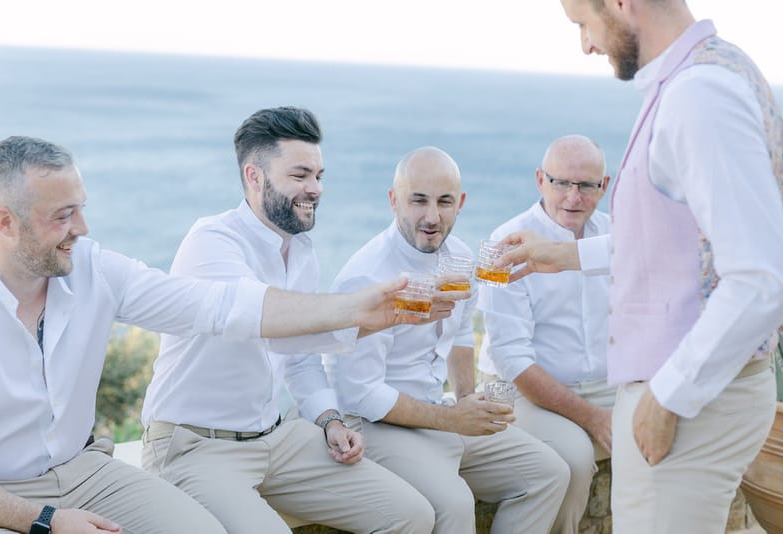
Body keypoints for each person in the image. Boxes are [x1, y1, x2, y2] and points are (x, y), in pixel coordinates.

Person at [0, 134, 429, 534]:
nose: (82, 228)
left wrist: (353, 312)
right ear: (5, 222)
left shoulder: (95, 269)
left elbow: (218, 306)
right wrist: (45, 520)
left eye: (81, 209)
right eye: (63, 215)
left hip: (84, 471)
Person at [496, 2, 783, 532]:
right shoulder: (710, 74)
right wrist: (561, 255)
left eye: (583, 21)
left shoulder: (699, 95)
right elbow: (675, 243)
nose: (585, 44)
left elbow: (761, 277)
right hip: (698, 395)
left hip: (688, 404)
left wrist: (667, 395)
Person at [141, 107, 442, 534]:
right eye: (300, 175)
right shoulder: (212, 241)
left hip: (275, 438)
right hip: (196, 445)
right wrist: (364, 310)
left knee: (412, 514)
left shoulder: (302, 252)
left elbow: (299, 356)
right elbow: (262, 317)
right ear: (255, 176)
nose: (315, 189)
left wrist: (329, 419)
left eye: (319, 176)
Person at [325, 146, 570, 534]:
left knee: (549, 472)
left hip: (436, 411)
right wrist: (452, 418)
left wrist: (468, 398)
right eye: (418, 201)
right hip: (376, 423)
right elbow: (361, 395)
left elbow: (459, 333)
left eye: (444, 202)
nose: (432, 217)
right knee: (454, 504)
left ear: (461, 204)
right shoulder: (368, 276)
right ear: (394, 201)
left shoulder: (457, 256)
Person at [477, 134, 612, 534]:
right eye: (561, 183)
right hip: (519, 389)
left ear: (603, 187)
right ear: (540, 180)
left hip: (604, 384)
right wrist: (594, 419)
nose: (573, 197)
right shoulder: (501, 244)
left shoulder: (616, 237)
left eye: (586, 185)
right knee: (571, 458)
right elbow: (510, 358)